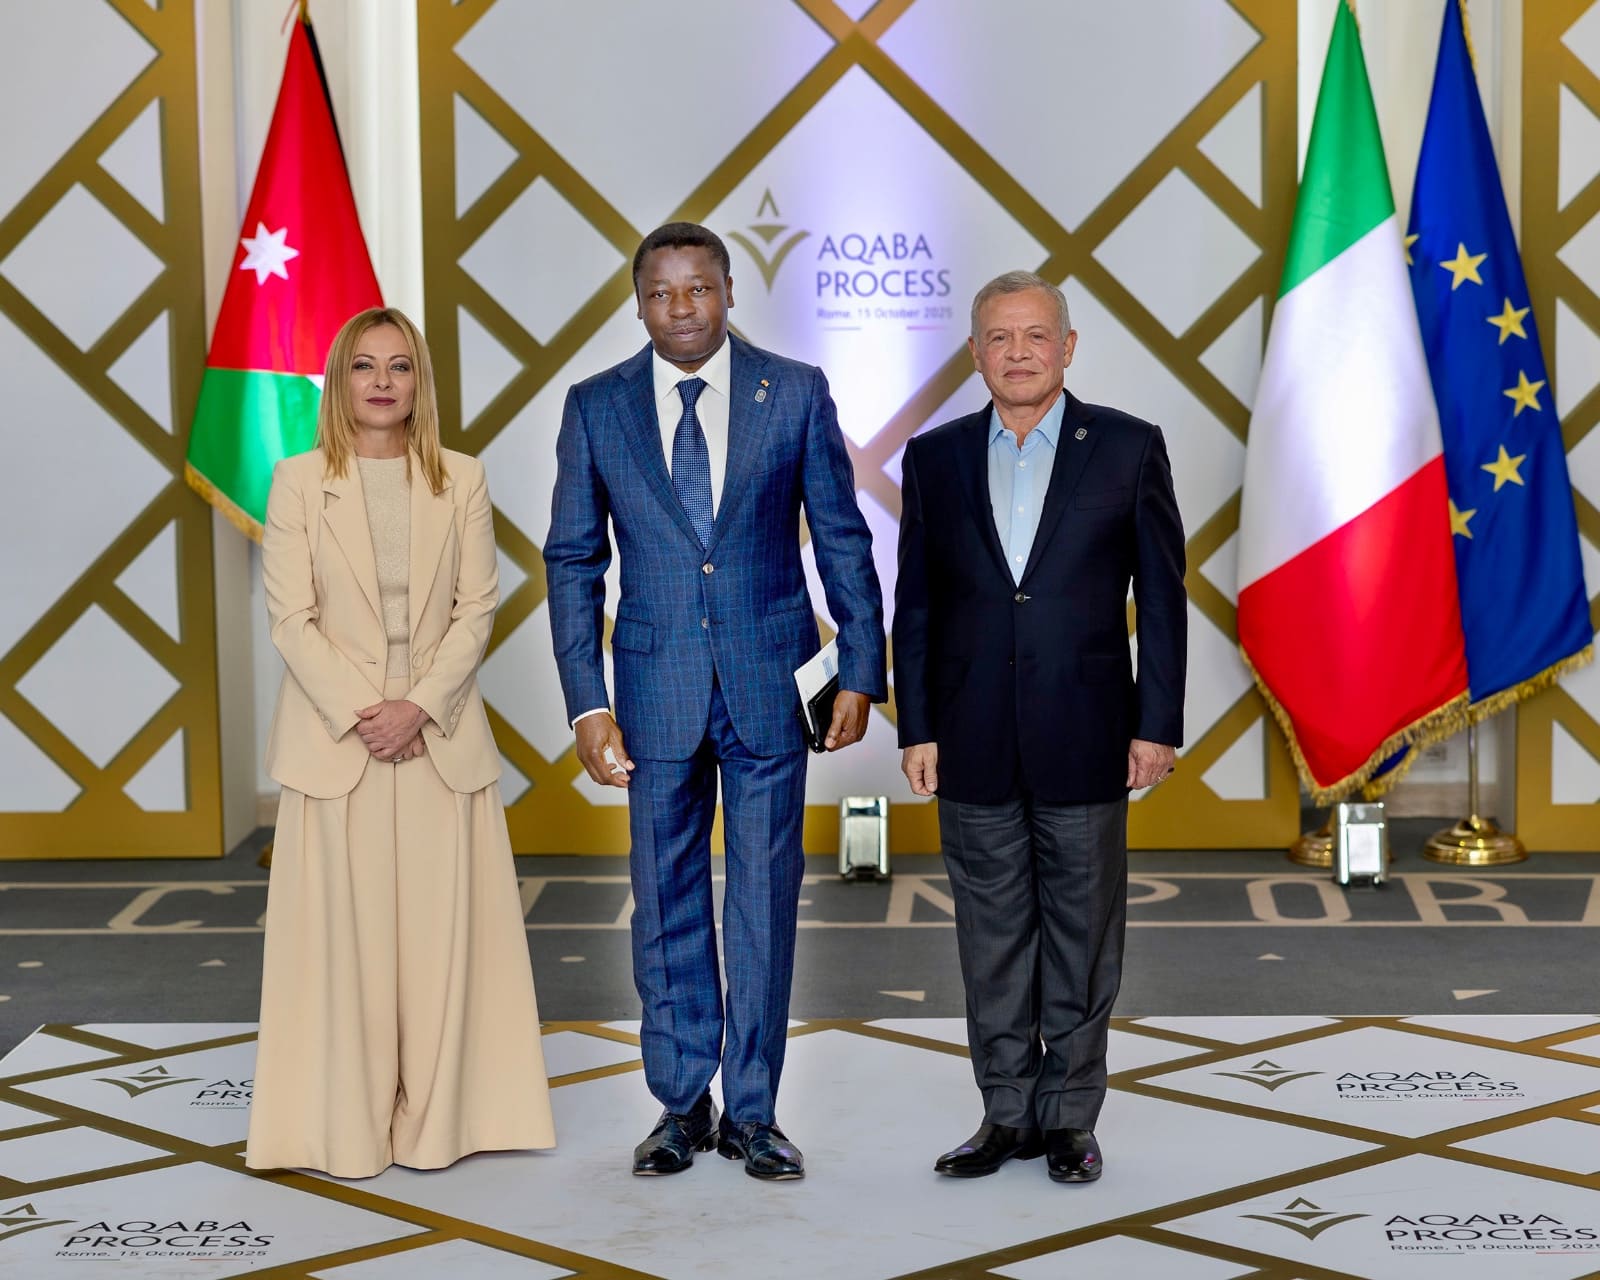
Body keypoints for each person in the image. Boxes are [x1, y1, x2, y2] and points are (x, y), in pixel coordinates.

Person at [544, 223, 885, 1180]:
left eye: (698, 288)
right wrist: (587, 703)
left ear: (730, 291)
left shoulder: (796, 391)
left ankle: (755, 1111)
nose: (681, 308)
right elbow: (573, 561)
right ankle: (680, 1104)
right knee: (664, 900)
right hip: (653, 691)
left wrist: (861, 668)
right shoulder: (595, 406)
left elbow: (842, 537)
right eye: (661, 293)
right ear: (638, 303)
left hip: (772, 683)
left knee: (766, 901)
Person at [247, 307, 555, 1178]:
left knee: (439, 946)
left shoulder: (462, 478)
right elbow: (290, 618)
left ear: (420, 382)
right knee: (342, 948)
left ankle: (440, 1124)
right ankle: (342, 1124)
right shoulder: (297, 481)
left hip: (437, 740)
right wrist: (367, 711)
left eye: (399, 366)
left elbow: (477, 608)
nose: (382, 382)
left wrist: (415, 707)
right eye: (364, 366)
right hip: (335, 742)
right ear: (339, 381)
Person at [893, 271, 1186, 1184]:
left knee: (1083, 938)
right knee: (991, 938)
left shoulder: (1129, 447)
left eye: (1034, 335)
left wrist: (1157, 724)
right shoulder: (935, 458)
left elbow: (1162, 600)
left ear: (1068, 346)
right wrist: (917, 726)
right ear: (975, 352)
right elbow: (917, 606)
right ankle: (1006, 1113)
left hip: (1089, 731)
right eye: (998, 337)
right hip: (968, 734)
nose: (1017, 353)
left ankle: (1070, 1119)